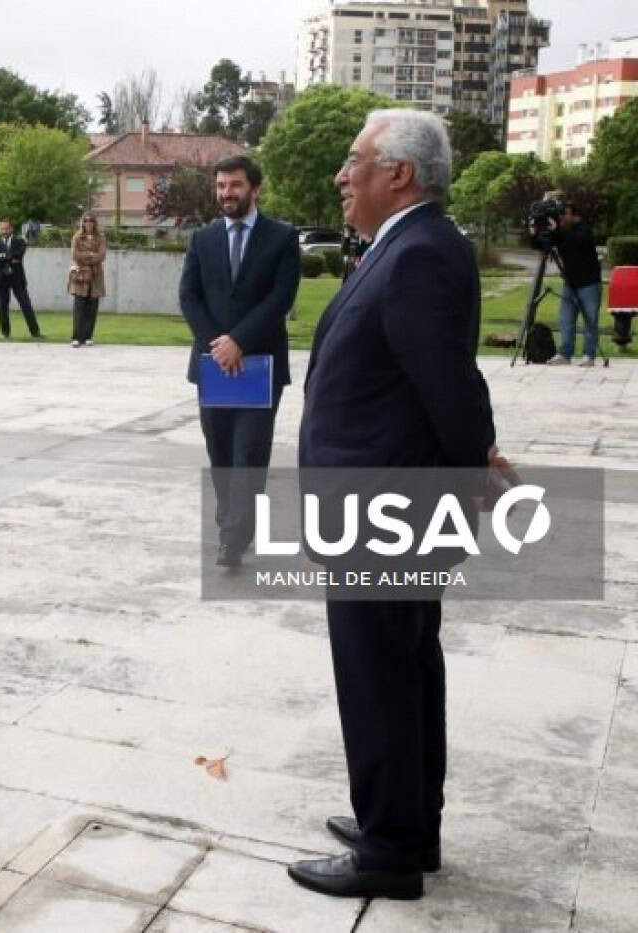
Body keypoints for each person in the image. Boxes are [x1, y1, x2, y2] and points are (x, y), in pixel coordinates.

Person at [289, 110, 512, 900]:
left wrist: (469, 475)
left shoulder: (419, 253)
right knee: (405, 665)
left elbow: (452, 385)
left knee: (381, 672)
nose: (342, 176)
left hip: (384, 511)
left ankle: (389, 848)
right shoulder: (412, 245)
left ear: (400, 174)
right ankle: (405, 822)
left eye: (355, 162)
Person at [178, 155, 300, 567]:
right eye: (221, 186)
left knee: (249, 453)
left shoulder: (282, 238)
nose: (226, 193)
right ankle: (231, 522)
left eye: (235, 185)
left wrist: (240, 342)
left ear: (254, 189)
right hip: (213, 365)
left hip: (259, 367)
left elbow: (280, 298)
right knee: (221, 452)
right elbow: (189, 296)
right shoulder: (203, 238)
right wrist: (218, 344)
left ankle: (233, 536)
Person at [545, 195, 603, 366]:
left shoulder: (583, 230)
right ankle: (565, 353)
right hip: (570, 283)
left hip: (589, 283)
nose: (561, 217)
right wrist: (536, 231)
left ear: (574, 215)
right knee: (566, 319)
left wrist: (558, 231)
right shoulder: (562, 231)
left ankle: (589, 355)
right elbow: (544, 243)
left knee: (590, 320)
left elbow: (575, 241)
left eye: (564, 214)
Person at [0, 217, 42, 340]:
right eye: (2, 228)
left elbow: (19, 255)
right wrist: (9, 258)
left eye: (6, 228)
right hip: (1, 279)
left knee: (26, 304)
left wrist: (3, 257)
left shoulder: (20, 242)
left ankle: (35, 332)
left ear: (11, 229)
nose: (4, 230)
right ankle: (5, 333)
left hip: (17, 278)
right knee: (3, 306)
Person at [68, 212, 106, 347]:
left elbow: (101, 255)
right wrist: (90, 255)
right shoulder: (77, 237)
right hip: (80, 275)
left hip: (95, 276)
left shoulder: (100, 237)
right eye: (86, 221)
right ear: (82, 223)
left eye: (91, 221)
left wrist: (86, 256)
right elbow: (74, 254)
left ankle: (88, 336)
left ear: (95, 223)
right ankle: (76, 337)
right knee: (79, 306)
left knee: (92, 306)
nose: (88, 223)